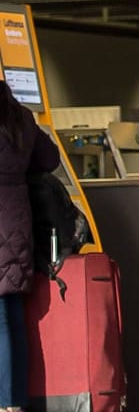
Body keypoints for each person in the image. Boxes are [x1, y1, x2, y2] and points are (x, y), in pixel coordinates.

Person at [0, 81, 58, 412]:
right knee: (12, 319)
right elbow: (49, 158)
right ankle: (13, 401)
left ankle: (6, 402)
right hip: (17, 225)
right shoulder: (20, 116)